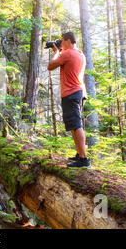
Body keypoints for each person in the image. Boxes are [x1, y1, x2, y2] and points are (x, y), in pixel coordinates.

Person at [47, 32, 90, 168]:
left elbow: (50, 66)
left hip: (71, 93)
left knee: (76, 125)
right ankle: (79, 154)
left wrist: (56, 52)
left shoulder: (68, 53)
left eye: (62, 41)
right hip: (79, 92)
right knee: (73, 124)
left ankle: (83, 159)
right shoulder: (80, 54)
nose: (61, 43)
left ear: (68, 41)